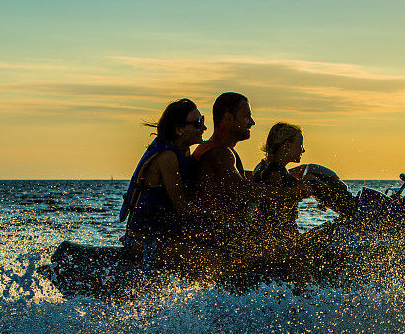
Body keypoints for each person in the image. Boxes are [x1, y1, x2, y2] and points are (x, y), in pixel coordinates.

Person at [192, 92, 309, 265]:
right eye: (246, 117)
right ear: (228, 118)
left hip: (232, 240)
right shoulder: (219, 153)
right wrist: (292, 191)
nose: (252, 122)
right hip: (222, 244)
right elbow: (242, 190)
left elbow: (235, 183)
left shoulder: (223, 152)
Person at [119, 98, 209, 267]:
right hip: (142, 240)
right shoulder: (167, 157)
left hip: (163, 235)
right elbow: (182, 207)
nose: (203, 128)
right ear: (179, 129)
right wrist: (219, 219)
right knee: (209, 259)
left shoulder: (183, 152)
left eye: (202, 121)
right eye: (197, 123)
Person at [251, 122, 309, 247]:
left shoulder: (266, 166)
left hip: (274, 241)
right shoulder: (275, 173)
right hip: (275, 245)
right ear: (287, 146)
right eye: (300, 145)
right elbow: (274, 215)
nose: (303, 150)